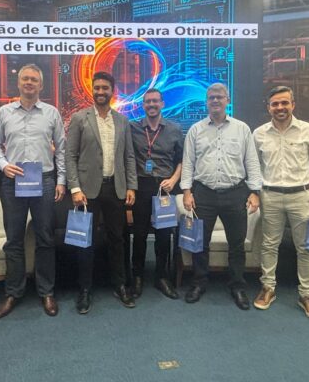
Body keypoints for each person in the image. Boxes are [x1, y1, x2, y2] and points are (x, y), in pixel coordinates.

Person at [0, 64, 66, 319]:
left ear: (41, 85)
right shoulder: (4, 112)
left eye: (34, 79)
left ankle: (46, 291)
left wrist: (61, 180)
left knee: (45, 238)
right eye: (25, 79)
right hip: (14, 181)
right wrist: (3, 165)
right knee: (13, 239)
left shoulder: (52, 113)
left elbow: (61, 149)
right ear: (19, 83)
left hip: (44, 180)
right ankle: (13, 292)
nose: (29, 82)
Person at [252, 85, 309, 321]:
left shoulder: (308, 130)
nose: (280, 107)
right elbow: (254, 167)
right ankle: (268, 288)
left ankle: (307, 295)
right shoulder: (259, 134)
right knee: (269, 245)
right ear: (268, 107)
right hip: (270, 196)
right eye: (275, 104)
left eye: (284, 103)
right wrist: (254, 192)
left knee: (306, 248)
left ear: (293, 105)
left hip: (301, 196)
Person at [180, 83, 262, 309]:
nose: (215, 100)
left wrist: (255, 192)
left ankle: (237, 286)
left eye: (219, 97)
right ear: (206, 102)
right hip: (203, 193)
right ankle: (199, 283)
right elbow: (188, 163)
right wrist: (187, 191)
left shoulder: (242, 129)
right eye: (211, 97)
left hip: (235, 193)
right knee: (199, 243)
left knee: (236, 244)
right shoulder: (196, 130)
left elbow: (252, 162)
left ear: (228, 100)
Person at [66, 71, 138, 313]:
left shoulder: (122, 121)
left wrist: (131, 186)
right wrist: (75, 188)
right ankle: (85, 289)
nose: (100, 92)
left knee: (117, 239)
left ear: (112, 91)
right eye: (97, 87)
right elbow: (70, 156)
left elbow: (129, 156)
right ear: (92, 89)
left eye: (105, 88)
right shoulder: (79, 118)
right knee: (85, 240)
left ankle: (120, 285)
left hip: (116, 188)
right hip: (86, 191)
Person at [129, 88, 183, 299]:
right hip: (141, 185)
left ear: (162, 104)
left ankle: (161, 277)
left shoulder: (174, 129)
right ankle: (137, 276)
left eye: (155, 101)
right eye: (147, 102)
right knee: (140, 234)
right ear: (143, 105)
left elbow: (182, 160)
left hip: (165, 187)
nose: (151, 105)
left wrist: (174, 180)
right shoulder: (133, 128)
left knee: (163, 234)